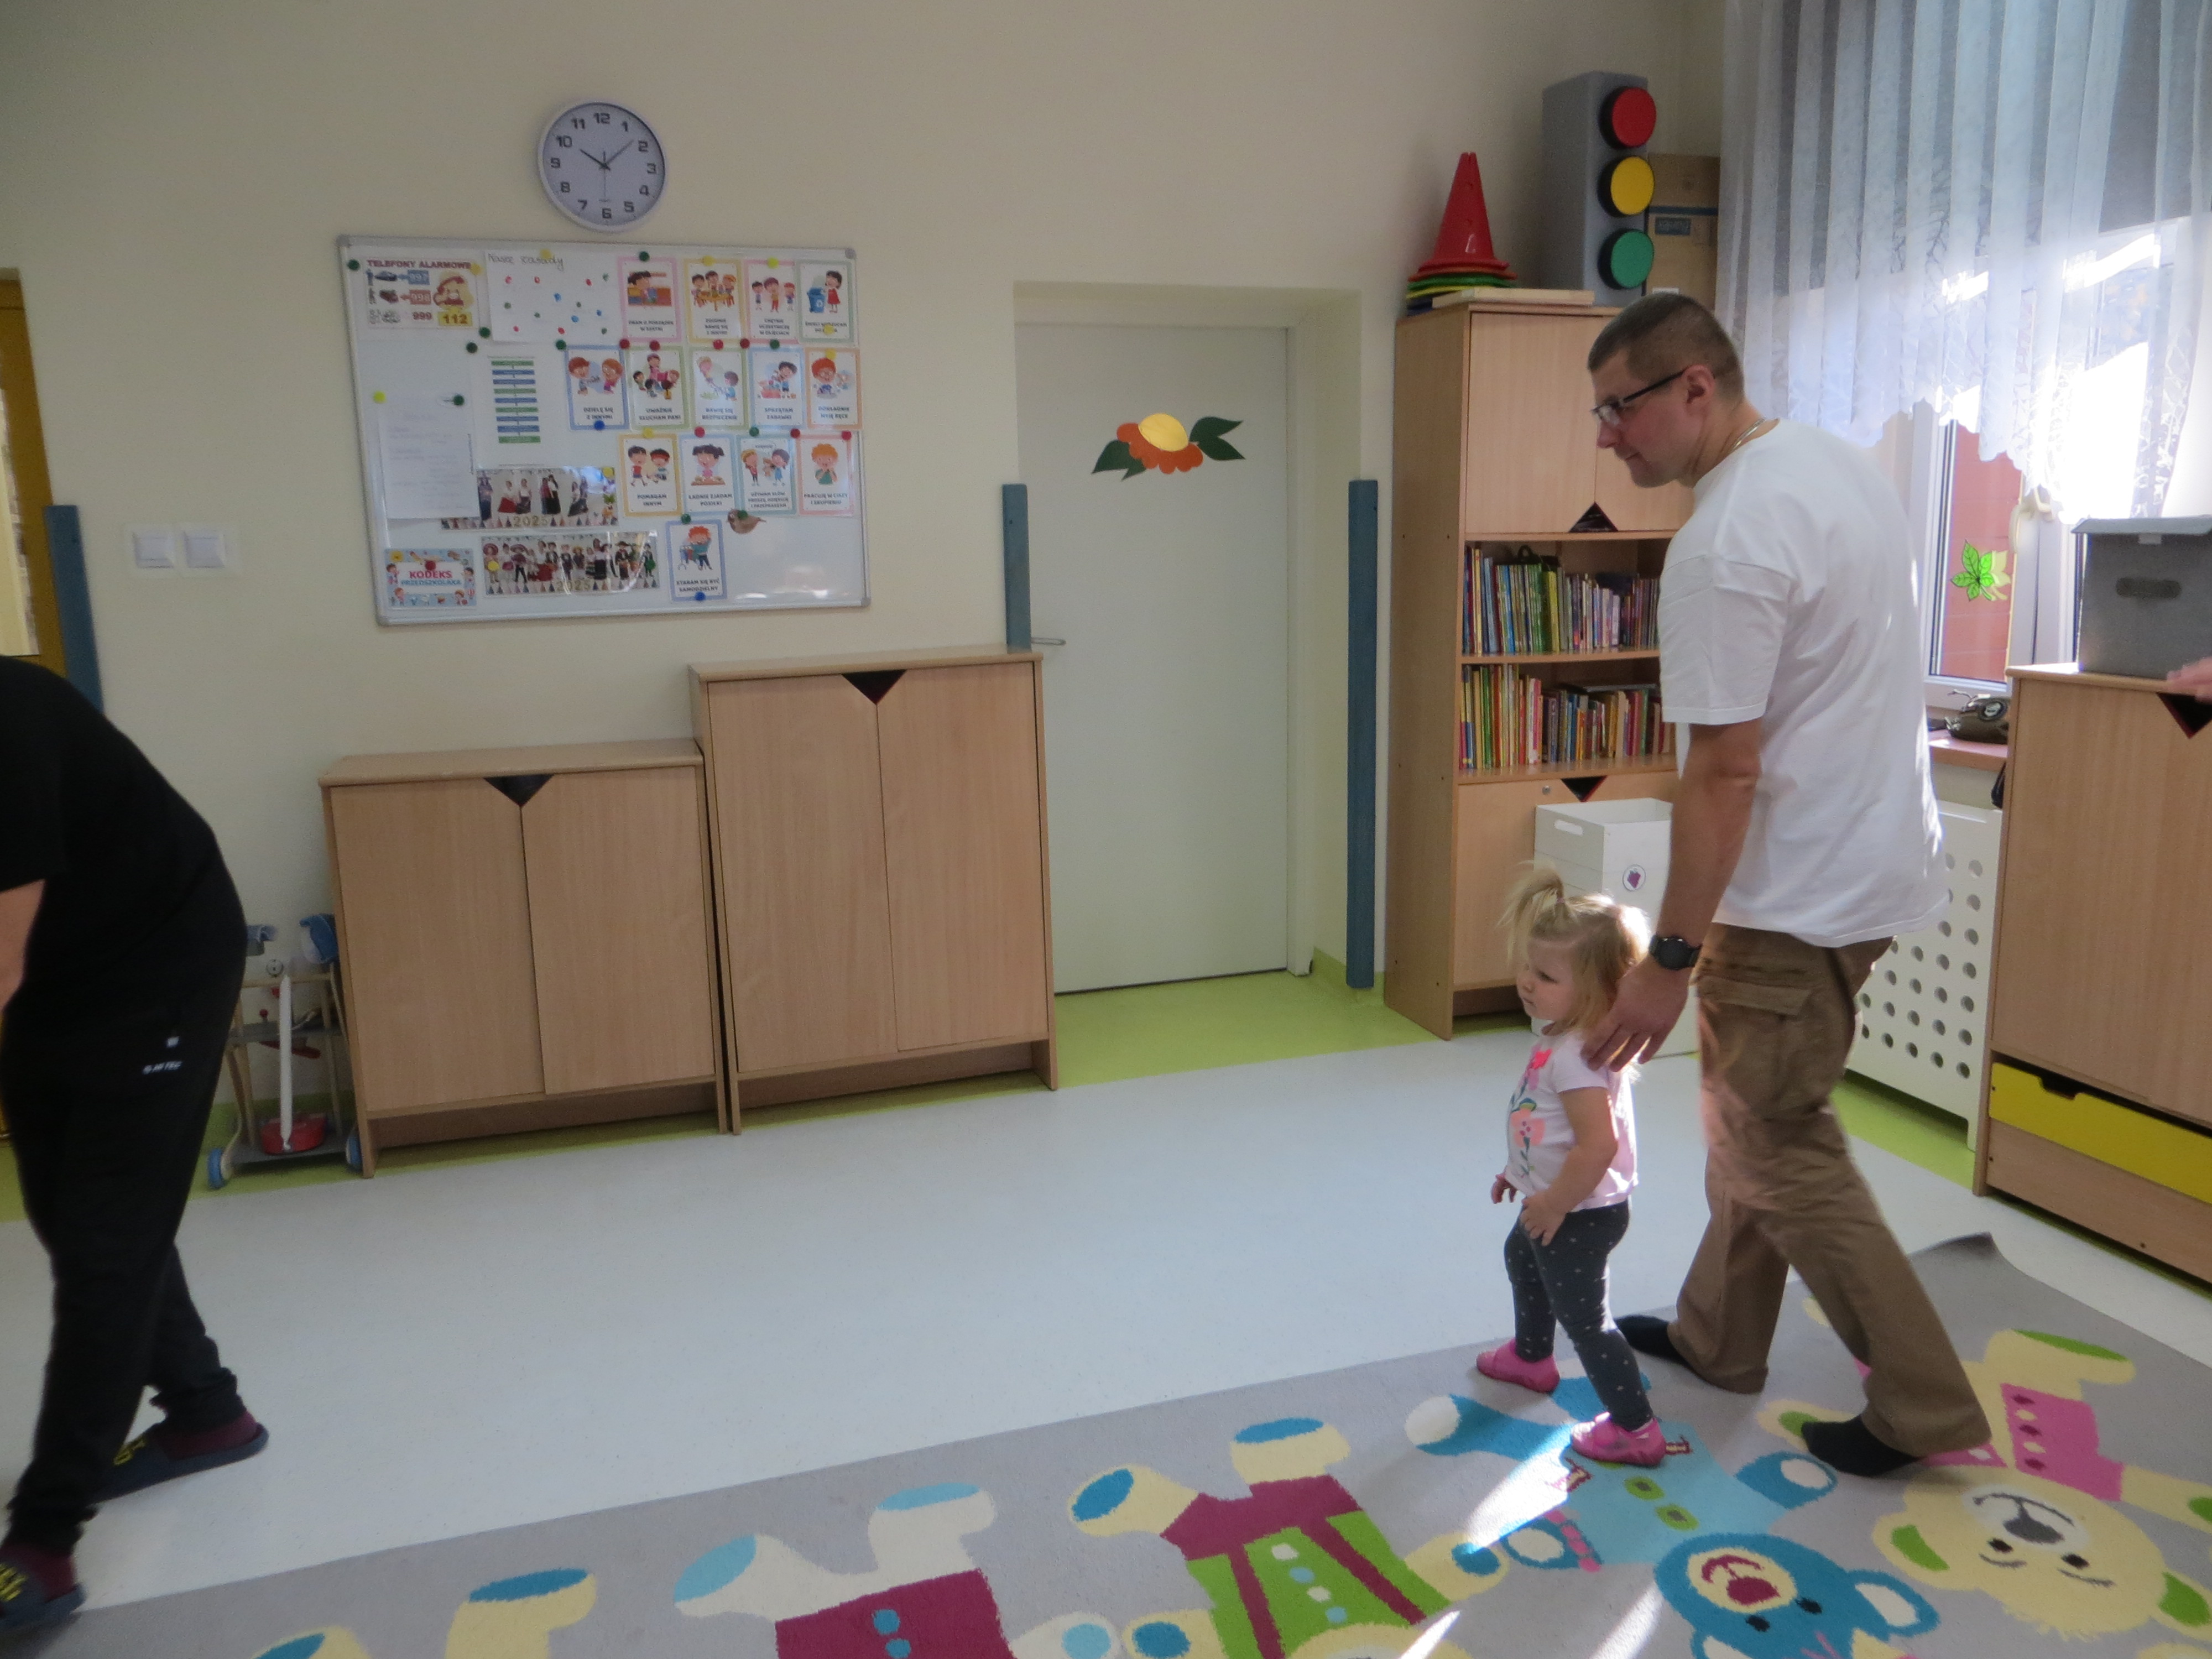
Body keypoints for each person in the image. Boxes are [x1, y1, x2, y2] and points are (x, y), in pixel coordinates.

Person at [1579, 293, 1990, 1478]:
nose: (1606, 435)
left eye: (1621, 407)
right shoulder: (1834, 467)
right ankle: (1720, 1337)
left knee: (1777, 1137)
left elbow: (1724, 768)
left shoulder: (1721, 543)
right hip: (1872, 861)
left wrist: (1668, 960)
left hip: (1792, 888)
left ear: (1695, 387)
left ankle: (1919, 1402)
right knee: (1747, 1115)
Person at [0, 660, 268, 1637]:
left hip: (160, 963)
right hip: (59, 976)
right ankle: (205, 1411)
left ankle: (43, 1542)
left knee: (107, 1243)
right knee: (63, 1209)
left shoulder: (7, 723)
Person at [1478, 869, 1661, 1467]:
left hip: (1580, 1211)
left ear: (1600, 990)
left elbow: (1596, 1146)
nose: (1526, 982)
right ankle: (1532, 1358)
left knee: (1586, 1321)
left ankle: (1636, 1429)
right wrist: (1520, 1173)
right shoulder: (1561, 1039)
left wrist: (1555, 1202)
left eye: (1547, 977)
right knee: (1521, 1260)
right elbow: (1544, 1125)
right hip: (1557, 1199)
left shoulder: (1578, 1059)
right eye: (1528, 968)